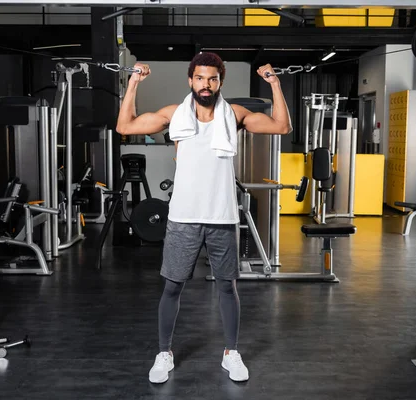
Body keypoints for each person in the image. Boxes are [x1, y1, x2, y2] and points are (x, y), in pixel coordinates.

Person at [116, 52, 292, 384]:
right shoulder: (175, 115)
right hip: (182, 216)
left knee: (228, 286)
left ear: (219, 82)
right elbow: (125, 126)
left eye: (212, 78)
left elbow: (282, 125)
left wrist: (275, 84)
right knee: (172, 287)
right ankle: (164, 353)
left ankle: (231, 353)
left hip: (222, 216)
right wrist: (134, 82)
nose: (205, 84)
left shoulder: (235, 115)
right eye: (199, 78)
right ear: (190, 81)